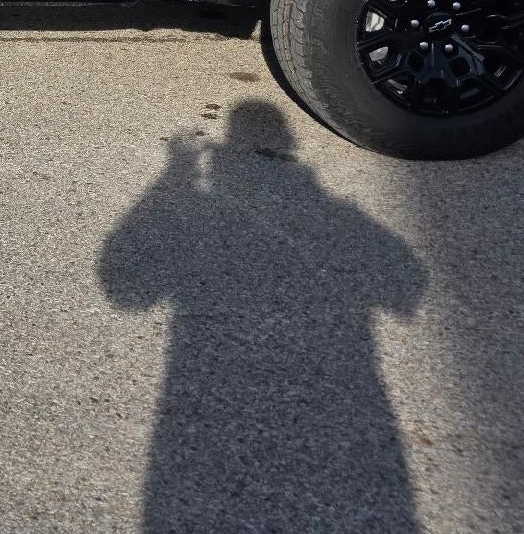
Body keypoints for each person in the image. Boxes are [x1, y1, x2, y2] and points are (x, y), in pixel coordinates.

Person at [99, 100, 426, 531]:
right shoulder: (341, 215)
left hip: (198, 424)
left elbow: (126, 292)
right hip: (348, 424)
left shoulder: (329, 214)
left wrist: (174, 176)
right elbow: (406, 289)